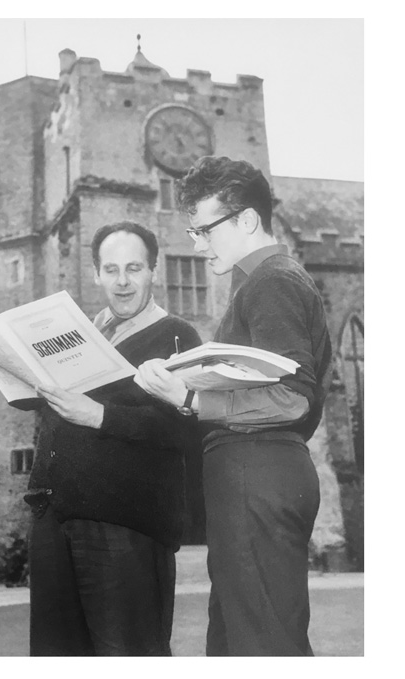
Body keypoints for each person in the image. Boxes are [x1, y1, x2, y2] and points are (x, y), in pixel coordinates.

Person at [136, 156, 332, 655]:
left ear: (246, 220)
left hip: (257, 472)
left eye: (204, 230)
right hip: (253, 475)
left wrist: (185, 396)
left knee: (263, 644)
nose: (196, 244)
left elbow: (291, 398)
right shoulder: (265, 280)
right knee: (238, 642)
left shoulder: (271, 281)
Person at [21, 221, 202, 655]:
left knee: (130, 655)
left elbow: (184, 429)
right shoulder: (76, 334)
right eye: (111, 269)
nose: (122, 282)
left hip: (125, 528)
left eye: (134, 268)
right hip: (53, 517)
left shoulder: (177, 336)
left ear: (153, 271)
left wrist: (99, 415)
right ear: (97, 273)